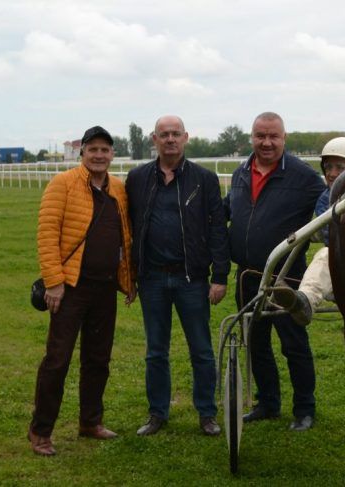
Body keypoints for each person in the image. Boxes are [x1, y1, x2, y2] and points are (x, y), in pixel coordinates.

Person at [29, 126, 135, 456]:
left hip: (105, 288)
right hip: (70, 288)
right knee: (57, 360)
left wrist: (128, 279)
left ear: (112, 155)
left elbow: (125, 237)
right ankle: (41, 430)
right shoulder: (62, 184)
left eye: (105, 150)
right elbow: (47, 235)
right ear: (82, 153)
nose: (99, 155)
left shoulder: (118, 188)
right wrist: (54, 282)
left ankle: (90, 421)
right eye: (93, 150)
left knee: (98, 359)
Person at [125, 115, 230, 437]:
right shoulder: (137, 178)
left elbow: (217, 230)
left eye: (175, 134)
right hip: (153, 279)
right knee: (156, 351)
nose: (170, 139)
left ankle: (207, 414)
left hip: (191, 279)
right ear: (153, 140)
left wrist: (220, 275)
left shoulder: (204, 179)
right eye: (163, 134)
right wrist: (129, 275)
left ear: (185, 138)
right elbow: (128, 229)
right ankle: (157, 413)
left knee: (201, 349)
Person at [226, 112, 326, 431]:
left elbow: (328, 206)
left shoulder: (304, 177)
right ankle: (268, 402)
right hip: (247, 275)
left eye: (273, 136)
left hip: (286, 276)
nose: (266, 143)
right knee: (256, 343)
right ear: (251, 138)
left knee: (293, 342)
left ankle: (305, 408)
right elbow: (231, 210)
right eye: (260, 136)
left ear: (285, 138)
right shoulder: (241, 172)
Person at [272, 136, 345, 326]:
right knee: (327, 254)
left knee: (326, 254)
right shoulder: (325, 198)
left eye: (340, 167)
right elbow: (328, 233)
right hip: (342, 274)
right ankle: (301, 300)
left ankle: (304, 300)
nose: (332, 173)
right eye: (328, 167)